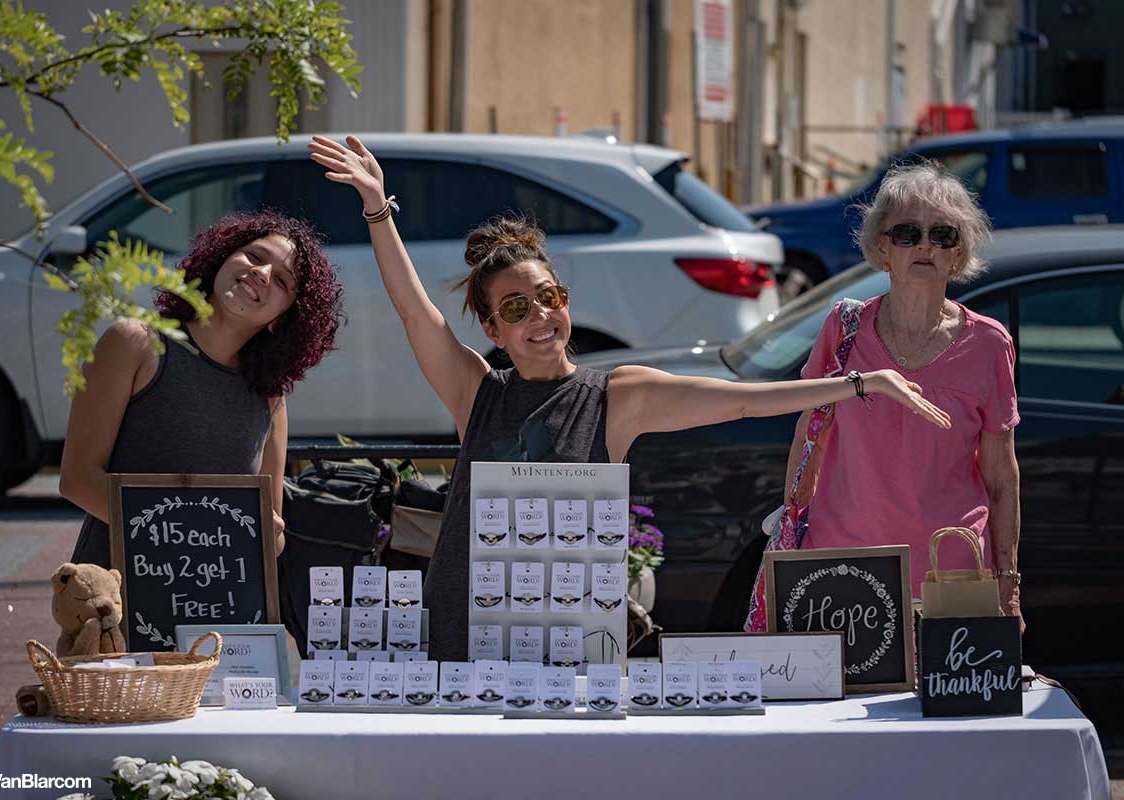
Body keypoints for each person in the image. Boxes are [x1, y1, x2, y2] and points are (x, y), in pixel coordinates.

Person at [308, 135, 951, 660]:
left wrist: (858, 384)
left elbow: (742, 401)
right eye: (515, 307)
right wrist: (377, 208)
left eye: (548, 297)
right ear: (493, 329)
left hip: (575, 643)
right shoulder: (476, 391)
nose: (539, 316)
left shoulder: (616, 395)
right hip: (467, 628)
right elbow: (415, 313)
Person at [746, 162, 1023, 633]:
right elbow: (806, 438)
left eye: (943, 235)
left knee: (941, 706)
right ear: (881, 247)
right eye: (908, 233)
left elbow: (1002, 478)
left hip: (947, 569)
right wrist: (794, 534)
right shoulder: (843, 328)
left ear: (958, 255)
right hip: (843, 562)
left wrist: (1008, 585)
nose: (925, 246)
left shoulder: (989, 343)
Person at [61, 211, 345, 568]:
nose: (261, 273)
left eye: (282, 281)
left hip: (219, 605)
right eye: (255, 257)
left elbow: (272, 535)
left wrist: (270, 533)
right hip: (113, 601)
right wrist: (200, 531)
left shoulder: (271, 396)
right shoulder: (133, 341)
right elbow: (77, 479)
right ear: (220, 259)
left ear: (283, 319)